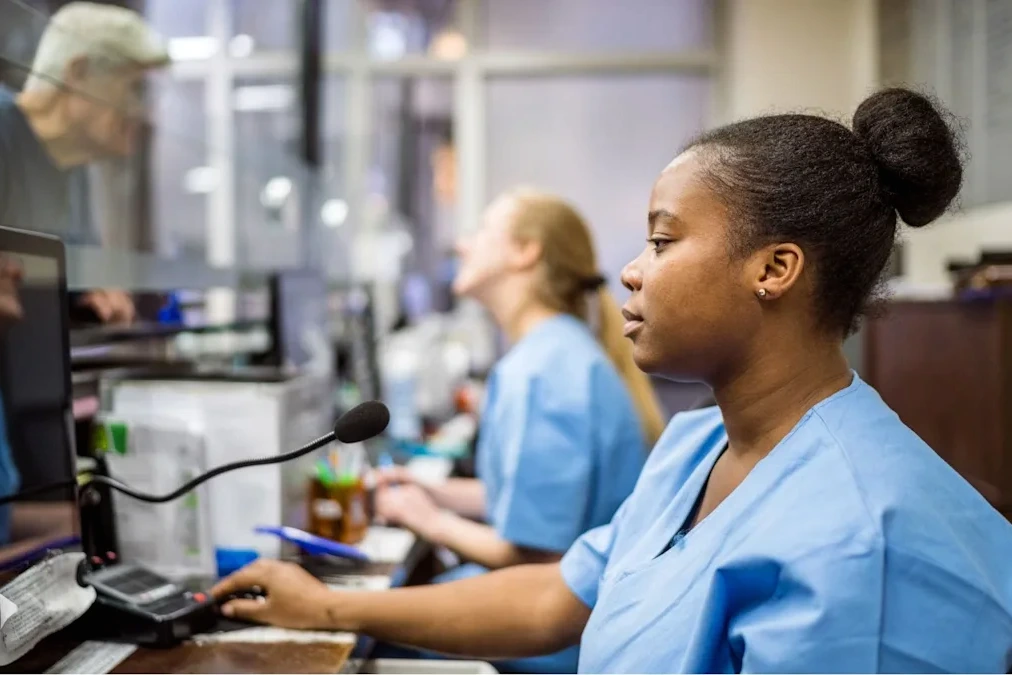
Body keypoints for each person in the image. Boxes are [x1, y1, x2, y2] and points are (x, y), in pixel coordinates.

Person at [213, 88, 1012, 673]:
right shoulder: (701, 442)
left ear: (774, 269)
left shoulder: (858, 538)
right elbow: (557, 598)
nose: (630, 272)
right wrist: (321, 606)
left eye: (663, 242)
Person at [372, 189, 665, 672]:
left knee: (372, 638)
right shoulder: (559, 353)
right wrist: (432, 491)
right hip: (587, 619)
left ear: (525, 251)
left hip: (561, 643)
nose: (463, 245)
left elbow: (538, 557)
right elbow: (531, 500)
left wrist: (429, 520)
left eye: (481, 231)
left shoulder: (541, 371)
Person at [0, 2, 170, 324]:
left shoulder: (73, 164)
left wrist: (100, 293)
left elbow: (81, 285)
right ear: (77, 72)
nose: (145, 113)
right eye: (135, 89)